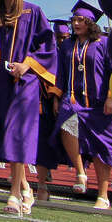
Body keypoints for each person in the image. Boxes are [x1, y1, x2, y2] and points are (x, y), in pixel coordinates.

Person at [0, 0, 56, 215]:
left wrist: (26, 65)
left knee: (17, 134)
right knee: (4, 134)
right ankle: (25, 186)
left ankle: (13, 195)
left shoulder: (33, 12)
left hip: (24, 83)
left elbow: (48, 47)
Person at [53, 1, 112, 210]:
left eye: (80, 20)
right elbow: (61, 72)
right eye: (74, 20)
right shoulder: (67, 45)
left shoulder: (103, 43)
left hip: (101, 105)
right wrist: (57, 97)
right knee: (66, 126)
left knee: (101, 149)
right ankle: (80, 172)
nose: (75, 24)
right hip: (74, 100)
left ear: (90, 23)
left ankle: (103, 196)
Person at [34, 20, 69, 202]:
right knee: (40, 143)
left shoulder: (64, 51)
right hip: (39, 102)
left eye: (64, 37)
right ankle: (39, 183)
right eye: (58, 37)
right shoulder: (44, 51)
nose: (61, 40)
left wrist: (56, 96)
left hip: (57, 103)